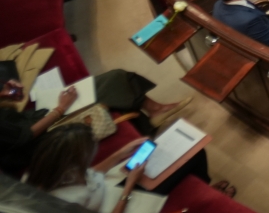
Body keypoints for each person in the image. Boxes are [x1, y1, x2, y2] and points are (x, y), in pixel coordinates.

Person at [1, 72, 188, 177]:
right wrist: (60, 108)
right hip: (40, 141)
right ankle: (153, 113)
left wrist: (4, 90)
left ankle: (154, 110)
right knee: (112, 86)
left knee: (115, 79)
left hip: (35, 117)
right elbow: (25, 136)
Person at [26, 125, 232, 213]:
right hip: (114, 206)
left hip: (108, 186)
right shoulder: (67, 203)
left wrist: (120, 153)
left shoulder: (45, 169)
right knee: (194, 155)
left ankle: (202, 183)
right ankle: (206, 188)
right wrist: (130, 185)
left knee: (180, 153)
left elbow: (90, 173)